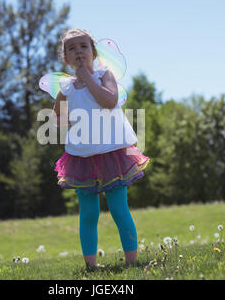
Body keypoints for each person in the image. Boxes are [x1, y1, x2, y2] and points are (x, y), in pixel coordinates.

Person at [52, 28, 150, 268]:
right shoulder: (66, 88)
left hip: (112, 154)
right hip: (82, 156)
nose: (78, 52)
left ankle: (132, 261)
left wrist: (87, 78)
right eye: (71, 48)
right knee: (88, 214)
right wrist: (72, 114)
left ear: (93, 53)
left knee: (119, 208)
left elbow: (109, 101)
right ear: (65, 58)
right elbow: (58, 118)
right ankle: (91, 265)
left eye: (83, 46)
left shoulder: (105, 75)